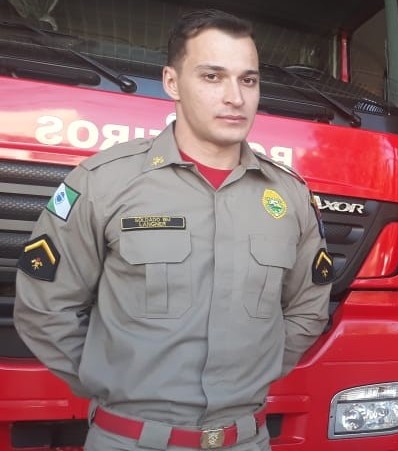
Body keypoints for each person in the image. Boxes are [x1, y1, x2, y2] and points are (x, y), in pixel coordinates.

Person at [14, 9, 332, 451]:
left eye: (249, 80)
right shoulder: (104, 180)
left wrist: (253, 372)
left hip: (245, 439)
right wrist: (111, 379)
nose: (235, 97)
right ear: (171, 82)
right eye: (212, 77)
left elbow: (308, 308)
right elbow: (45, 307)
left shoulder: (291, 195)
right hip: (128, 439)